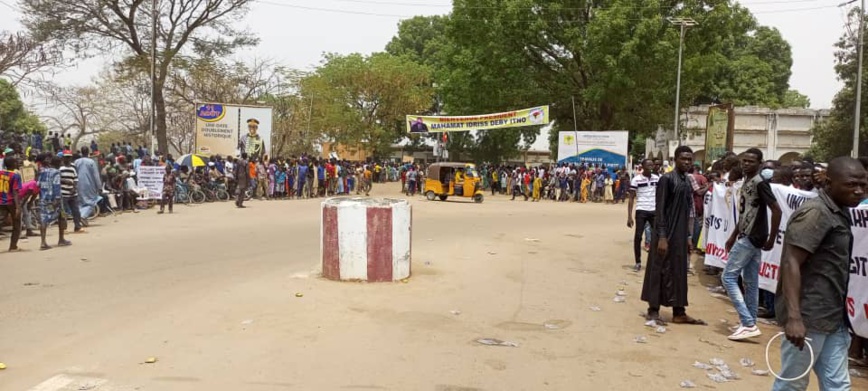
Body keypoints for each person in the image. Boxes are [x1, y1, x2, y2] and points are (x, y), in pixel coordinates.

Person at [773, 157, 867, 391]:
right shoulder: (816, 213)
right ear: (829, 182)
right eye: (851, 184)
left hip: (833, 317)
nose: (858, 191)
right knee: (792, 385)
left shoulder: (839, 211)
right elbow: (791, 261)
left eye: (863, 185)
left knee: (838, 385)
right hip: (808, 317)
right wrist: (794, 317)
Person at [641, 146, 706, 326]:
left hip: (680, 233)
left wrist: (687, 237)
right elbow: (659, 210)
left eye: (690, 159)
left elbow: (686, 211)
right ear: (675, 159)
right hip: (665, 233)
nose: (687, 162)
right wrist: (661, 236)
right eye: (683, 159)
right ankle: (653, 310)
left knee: (679, 271)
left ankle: (679, 311)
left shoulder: (687, 181)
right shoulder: (666, 180)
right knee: (659, 269)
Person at [722, 148, 782, 341]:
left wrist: (771, 238)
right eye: (744, 161)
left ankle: (747, 322)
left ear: (759, 164)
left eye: (750, 161)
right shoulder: (747, 181)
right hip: (747, 235)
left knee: (728, 277)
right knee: (750, 282)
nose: (746, 164)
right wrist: (733, 236)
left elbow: (777, 210)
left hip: (753, 237)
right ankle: (750, 322)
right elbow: (746, 212)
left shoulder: (760, 184)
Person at [628, 159, 659, 272]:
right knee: (638, 236)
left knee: (658, 236)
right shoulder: (636, 179)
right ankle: (638, 262)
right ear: (643, 166)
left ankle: (655, 262)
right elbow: (631, 198)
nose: (651, 166)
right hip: (641, 209)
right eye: (648, 164)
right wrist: (629, 216)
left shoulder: (657, 178)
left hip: (654, 210)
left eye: (652, 164)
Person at [38, 155, 70, 250]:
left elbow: (38, 183)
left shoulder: (42, 171)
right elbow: (56, 185)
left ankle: (43, 242)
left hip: (44, 198)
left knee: (44, 218)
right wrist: (56, 199)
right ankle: (61, 239)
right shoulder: (56, 172)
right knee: (62, 216)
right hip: (54, 199)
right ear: (58, 163)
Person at [0, 156, 23, 251]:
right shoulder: (15, 176)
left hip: (1, 201)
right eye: (15, 162)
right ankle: (13, 246)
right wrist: (18, 207)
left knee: (1, 221)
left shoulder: (0, 173)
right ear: (13, 164)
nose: (17, 164)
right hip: (11, 202)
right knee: (17, 223)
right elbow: (15, 191)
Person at [60, 151, 85, 233]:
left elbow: (76, 180)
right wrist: (65, 181)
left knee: (76, 211)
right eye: (66, 157)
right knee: (63, 212)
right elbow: (58, 179)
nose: (68, 159)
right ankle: (64, 228)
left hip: (73, 193)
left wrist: (73, 188)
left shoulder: (73, 169)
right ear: (63, 158)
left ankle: (77, 226)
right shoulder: (61, 169)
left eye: (69, 157)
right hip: (63, 193)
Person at [75, 147, 102, 220]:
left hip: (78, 184)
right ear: (88, 152)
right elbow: (96, 175)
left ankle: (80, 216)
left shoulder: (76, 162)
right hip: (90, 184)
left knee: (80, 202)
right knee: (92, 201)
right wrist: (99, 187)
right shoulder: (91, 162)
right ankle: (83, 216)